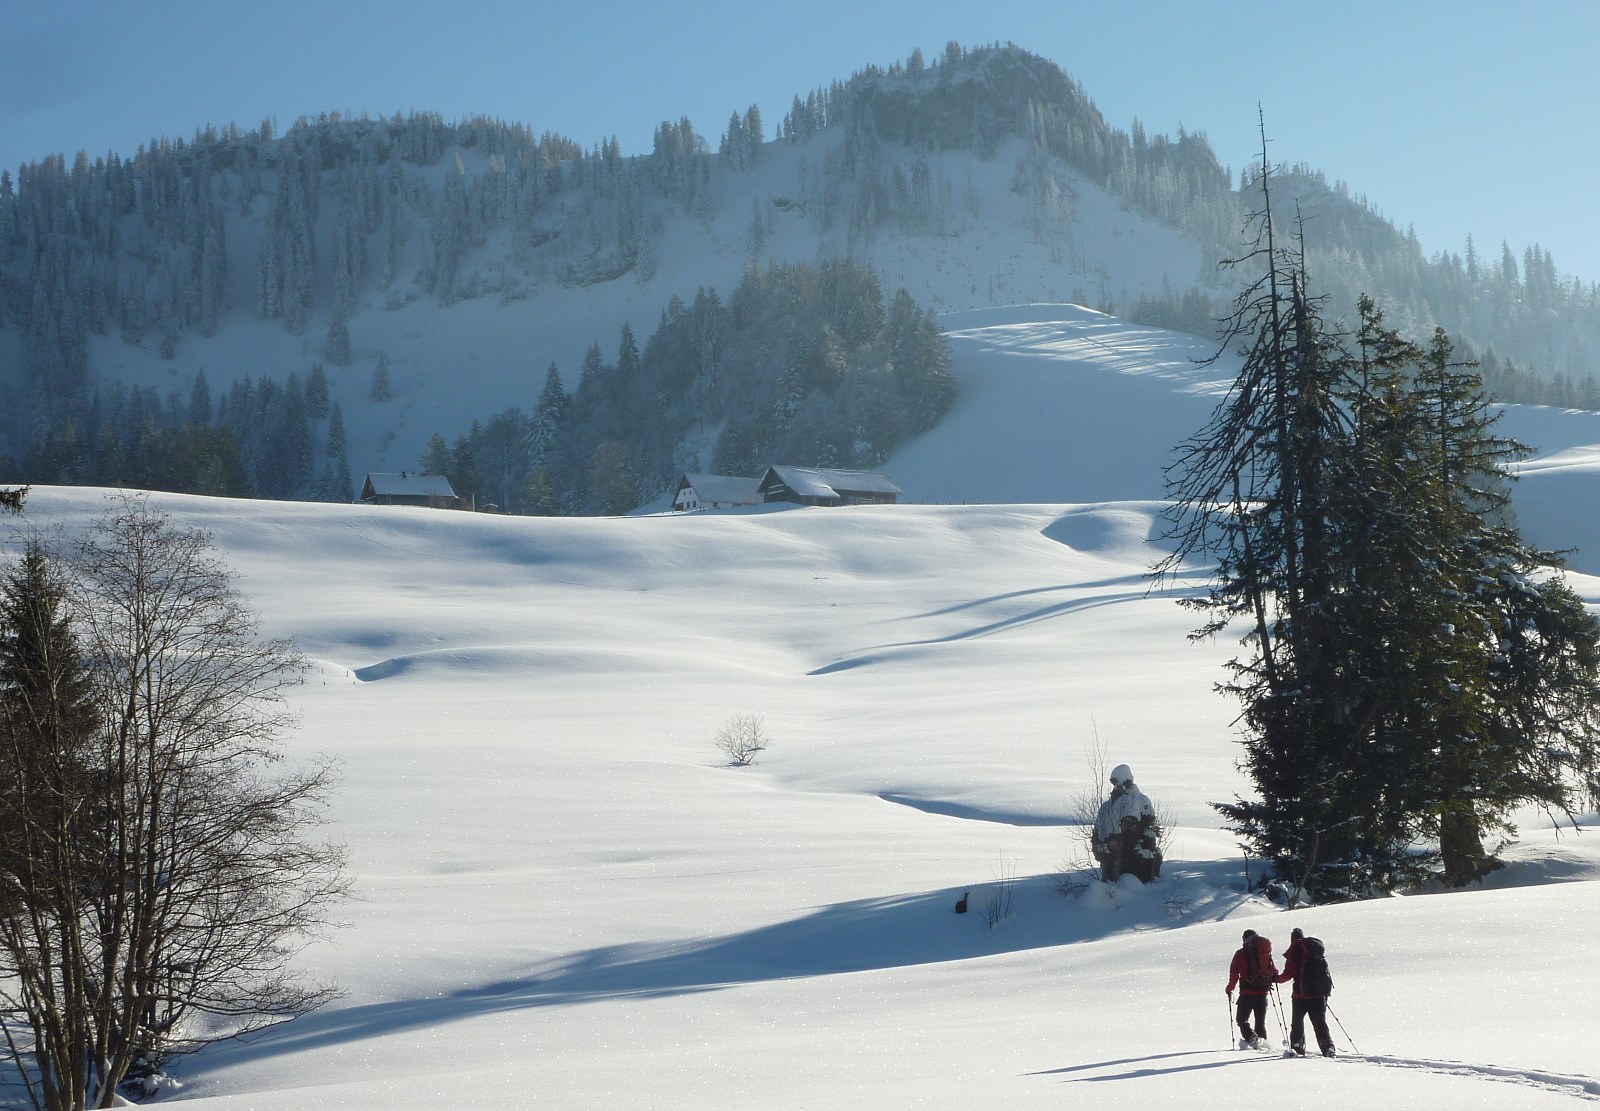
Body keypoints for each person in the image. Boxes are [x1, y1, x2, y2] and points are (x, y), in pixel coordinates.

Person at [1091, 764, 1163, 883]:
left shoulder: (1138, 801)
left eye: (1117, 783)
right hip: (1109, 859)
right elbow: (1097, 831)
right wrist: (1102, 848)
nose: (1116, 787)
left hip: (1132, 864)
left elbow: (1144, 830)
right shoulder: (1107, 806)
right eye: (1114, 784)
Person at [1277, 927, 1336, 1057]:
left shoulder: (1296, 951)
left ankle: (1298, 1048)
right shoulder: (1314, 951)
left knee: (1297, 1023)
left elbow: (1288, 973)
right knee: (1320, 1023)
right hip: (1319, 995)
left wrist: (1276, 979)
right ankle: (1328, 1048)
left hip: (1300, 995)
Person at [1225, 928, 1278, 1049]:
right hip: (1263, 992)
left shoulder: (1241, 953)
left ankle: (1253, 1040)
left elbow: (1234, 973)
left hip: (1247, 993)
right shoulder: (1265, 952)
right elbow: (1273, 970)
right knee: (1260, 1023)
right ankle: (1264, 1045)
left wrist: (1229, 988)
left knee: (1242, 1019)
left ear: (1244, 939)